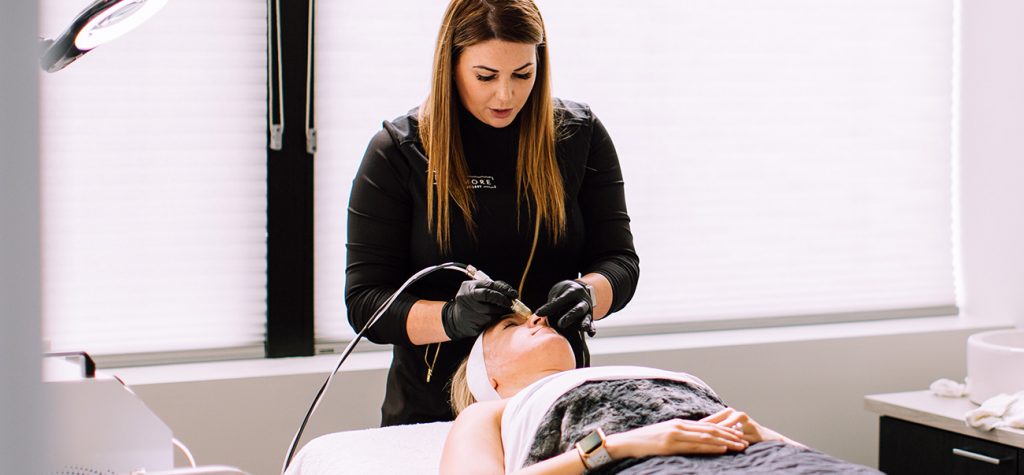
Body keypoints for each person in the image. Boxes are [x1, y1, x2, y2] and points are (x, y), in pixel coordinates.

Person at [345, 0, 639, 426]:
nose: (506, 94)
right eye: (486, 76)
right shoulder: (399, 153)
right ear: (451, 65)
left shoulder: (578, 137)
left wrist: (590, 294)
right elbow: (365, 303)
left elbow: (620, 262)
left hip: (553, 406)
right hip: (430, 413)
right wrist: (449, 317)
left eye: (523, 74)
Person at [440, 314, 883, 474]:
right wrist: (619, 447)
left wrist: (767, 435)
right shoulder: (498, 412)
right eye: (512, 326)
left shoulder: (650, 372)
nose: (537, 319)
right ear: (489, 378)